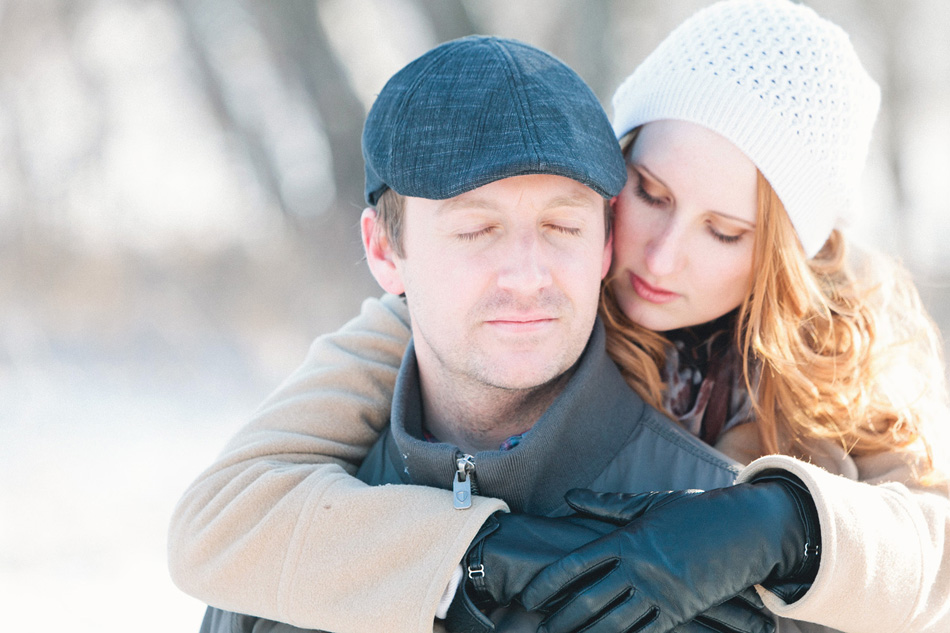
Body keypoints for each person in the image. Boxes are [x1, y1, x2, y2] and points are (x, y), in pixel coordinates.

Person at [169, 2, 950, 633]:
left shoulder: (829, 360)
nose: (663, 256)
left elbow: (933, 557)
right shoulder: (510, 309)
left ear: (784, 255)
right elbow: (228, 513)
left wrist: (781, 523)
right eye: (651, 193)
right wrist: (471, 554)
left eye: (725, 232)